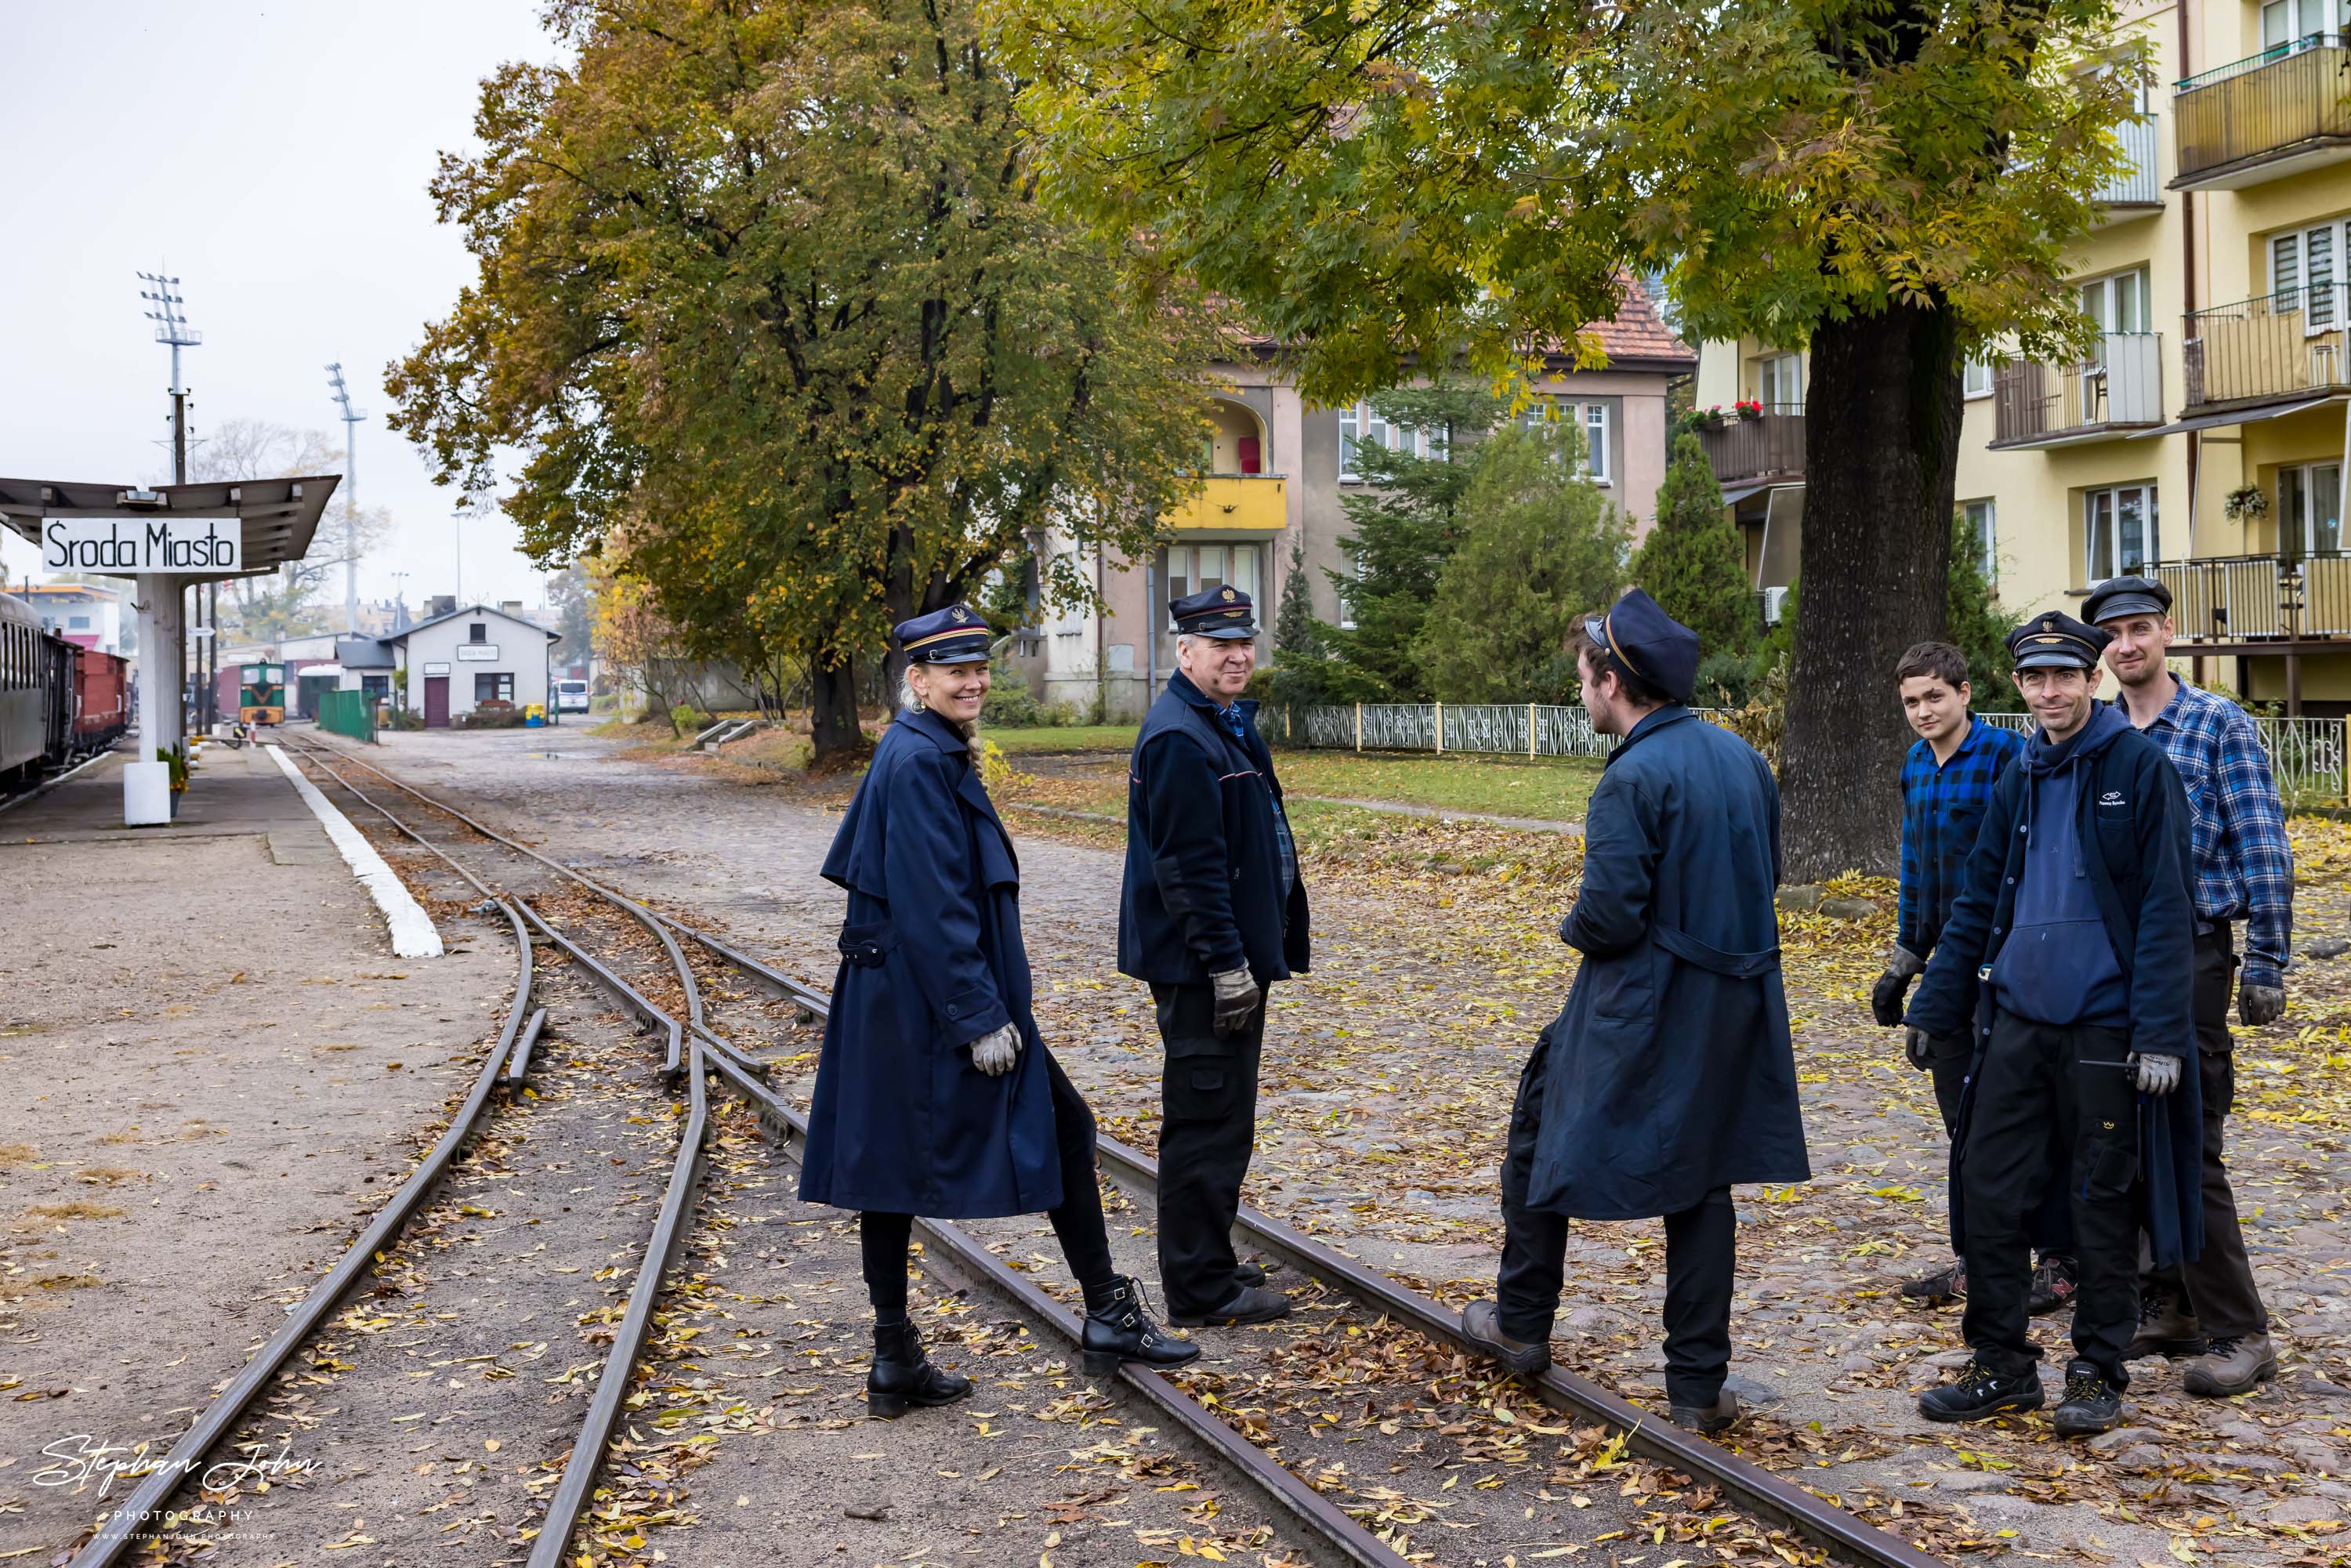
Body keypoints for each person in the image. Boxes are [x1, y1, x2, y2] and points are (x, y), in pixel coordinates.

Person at [800, 605, 1197, 1415]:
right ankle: (1105, 1314)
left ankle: (895, 1354)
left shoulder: (926, 750)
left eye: (979, 667)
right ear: (918, 680)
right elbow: (933, 901)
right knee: (1051, 1129)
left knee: (892, 1167)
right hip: (928, 1003)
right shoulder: (917, 762)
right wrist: (979, 1016)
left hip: (905, 1000)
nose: (973, 681)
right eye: (954, 670)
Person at [1458, 588, 1811, 1434]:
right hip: (1737, 1005)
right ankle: (1695, 1389)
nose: (1579, 691)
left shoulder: (1632, 777)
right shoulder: (1743, 761)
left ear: (1613, 681)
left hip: (1647, 1002)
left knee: (1539, 1132)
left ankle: (1520, 1322)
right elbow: (1759, 875)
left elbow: (1612, 916)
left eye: (1584, 676)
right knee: (1703, 1182)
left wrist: (1571, 923)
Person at [1905, 612, 2203, 1436]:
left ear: (2093, 678)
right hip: (2018, 1026)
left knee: (2099, 1206)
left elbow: (2166, 911)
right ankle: (2001, 1366)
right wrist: (1936, 1000)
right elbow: (1977, 898)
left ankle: (2097, 1371)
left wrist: (2160, 1034)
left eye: (2063, 677)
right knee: (1988, 1194)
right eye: (2034, 679)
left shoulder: (2140, 769)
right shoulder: (2021, 773)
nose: (2048, 693)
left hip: (2105, 1030)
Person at [2086, 574, 2291, 1397]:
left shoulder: (2215, 724)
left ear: (2166, 631)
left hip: (2196, 953)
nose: (2127, 645)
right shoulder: (2099, 732)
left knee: (2193, 1143)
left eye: (2139, 629)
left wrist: (2269, 958)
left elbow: (2261, 843)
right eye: (2113, 634)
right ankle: (2170, 1303)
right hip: (2114, 960)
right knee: (2127, 1137)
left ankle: (2241, 1329)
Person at [1119, 585, 1310, 1327]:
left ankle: (1211, 1260)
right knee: (1204, 1124)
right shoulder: (1179, 737)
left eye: (1244, 642)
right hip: (1205, 971)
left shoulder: (1215, 723)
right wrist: (1227, 965)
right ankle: (1200, 1290)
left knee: (1223, 1118)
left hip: (1223, 963)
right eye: (1220, 644)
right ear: (1185, 650)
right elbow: (1189, 868)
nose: (1237, 655)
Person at [1871, 643, 2078, 1313]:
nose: (1924, 711)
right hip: (1945, 967)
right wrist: (1906, 955)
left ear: (1964, 692)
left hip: (2006, 958)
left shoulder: (2004, 756)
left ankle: (2058, 1258)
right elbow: (1916, 865)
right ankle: (1980, 1258)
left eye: (1935, 696)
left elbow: (2025, 859)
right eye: (1911, 701)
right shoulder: (1914, 766)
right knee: (1961, 1117)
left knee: (2024, 1114)